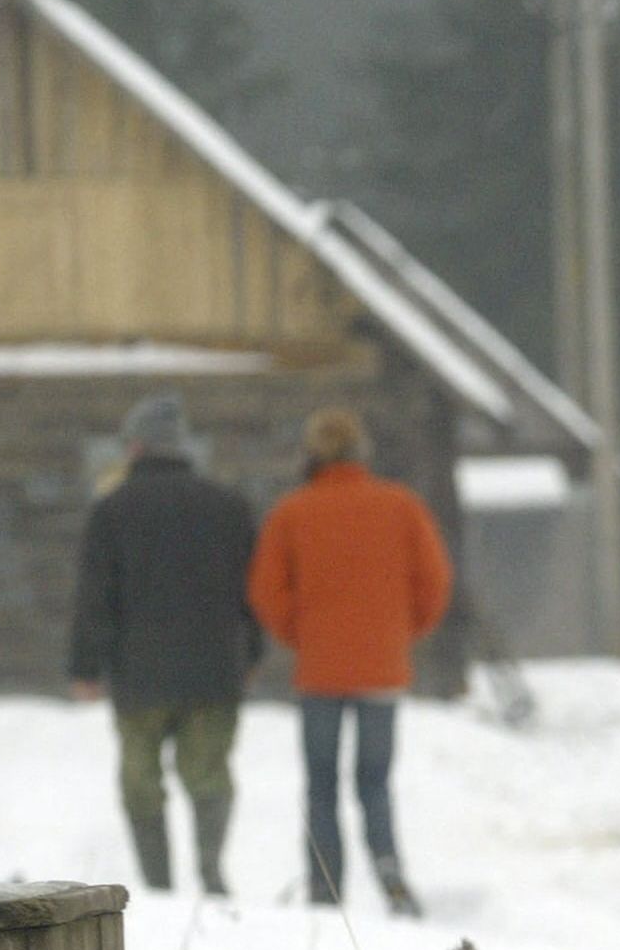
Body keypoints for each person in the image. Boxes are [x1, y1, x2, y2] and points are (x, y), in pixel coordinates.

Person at [248, 406, 453, 919]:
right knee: (375, 780)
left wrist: (301, 634)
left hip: (319, 671)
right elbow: (435, 582)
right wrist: (404, 632)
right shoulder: (401, 506)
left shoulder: (292, 512)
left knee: (321, 782)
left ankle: (324, 887)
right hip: (382, 668)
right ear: (363, 450)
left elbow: (266, 590)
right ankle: (389, 872)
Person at [68, 394, 262, 897]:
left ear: (135, 446)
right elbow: (252, 591)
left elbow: (95, 597)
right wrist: (253, 654)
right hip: (213, 669)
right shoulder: (228, 506)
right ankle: (210, 870)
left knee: (141, 781)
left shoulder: (112, 511)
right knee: (209, 774)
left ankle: (158, 888)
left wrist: (85, 667)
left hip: (140, 673)